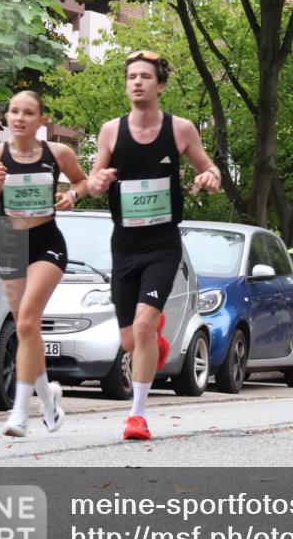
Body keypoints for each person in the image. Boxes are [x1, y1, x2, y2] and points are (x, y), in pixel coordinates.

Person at [87, 51, 221, 440]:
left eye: (145, 76)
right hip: (124, 244)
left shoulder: (180, 129)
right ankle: (153, 336)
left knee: (142, 326)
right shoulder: (111, 130)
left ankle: (137, 416)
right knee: (131, 339)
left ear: (160, 85)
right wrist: (99, 183)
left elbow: (207, 166)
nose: (137, 82)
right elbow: (96, 180)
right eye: (132, 77)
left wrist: (210, 177)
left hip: (163, 244)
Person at [0, 90, 89, 437]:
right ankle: (48, 399)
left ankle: (19, 413)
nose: (20, 118)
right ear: (6, 118)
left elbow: (82, 182)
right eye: (14, 112)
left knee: (26, 322)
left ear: (41, 120)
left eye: (28, 113)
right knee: (28, 330)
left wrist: (72, 195)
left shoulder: (58, 153)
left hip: (46, 242)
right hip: (10, 241)